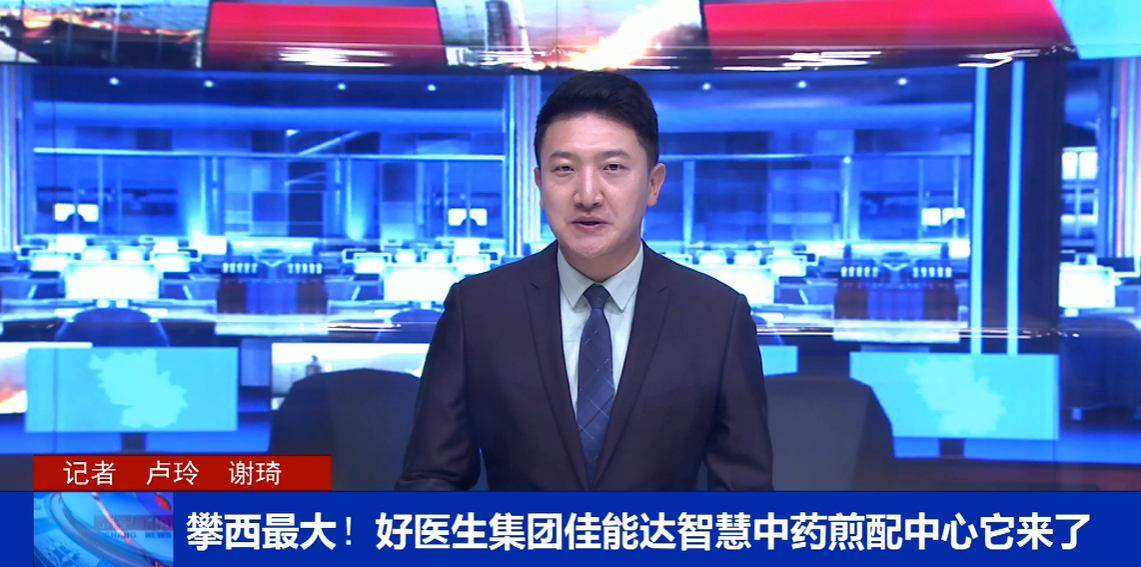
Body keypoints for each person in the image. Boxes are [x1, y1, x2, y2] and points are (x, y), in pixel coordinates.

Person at [396, 71, 772, 491]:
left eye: (613, 168)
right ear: (539, 185)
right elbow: (431, 478)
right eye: (564, 169)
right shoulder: (478, 309)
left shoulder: (716, 316)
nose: (588, 195)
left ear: (653, 184)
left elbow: (744, 495)